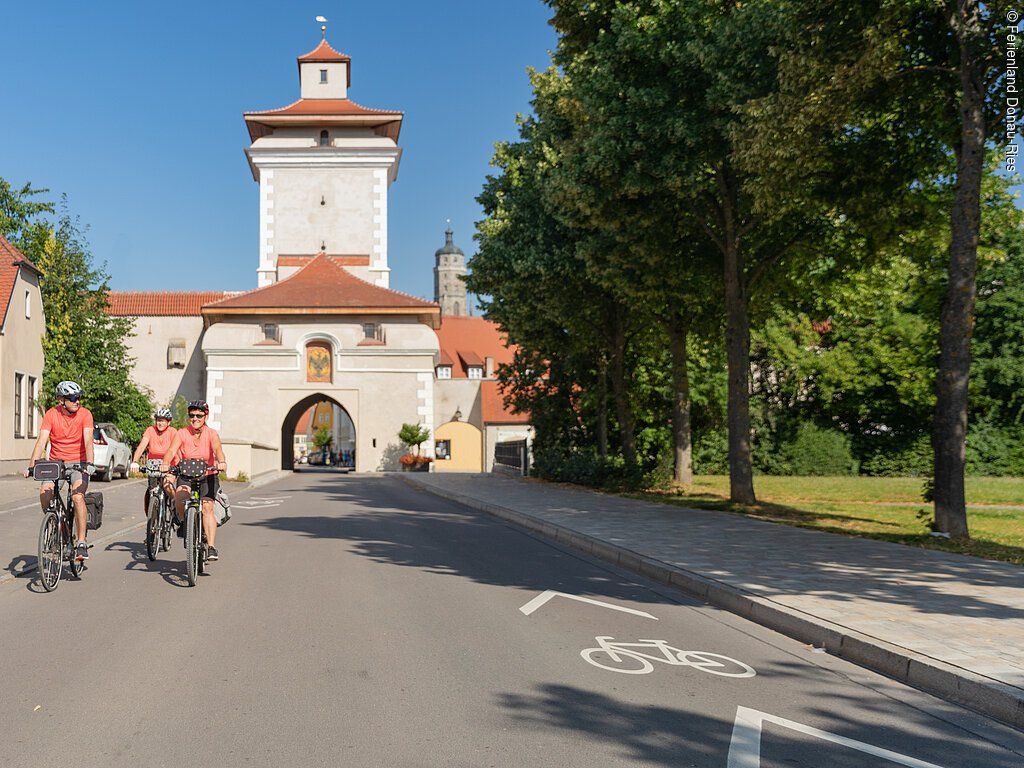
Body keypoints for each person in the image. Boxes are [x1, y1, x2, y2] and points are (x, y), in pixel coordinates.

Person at [25, 381, 95, 561]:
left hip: (79, 463)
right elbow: (41, 441)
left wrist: (90, 463)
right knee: (45, 494)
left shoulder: (85, 414)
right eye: (73, 398)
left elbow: (88, 440)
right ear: (61, 400)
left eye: (78, 397)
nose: (77, 401)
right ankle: (56, 523)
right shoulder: (51, 414)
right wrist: (32, 466)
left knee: (77, 496)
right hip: (56, 463)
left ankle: (81, 542)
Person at [160, 400, 227, 561]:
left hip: (207, 476)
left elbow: (218, 449)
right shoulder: (182, 433)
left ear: (206, 416)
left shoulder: (211, 434)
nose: (195, 418)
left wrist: (221, 462)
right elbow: (171, 450)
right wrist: (165, 463)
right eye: (192, 415)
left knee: (207, 507)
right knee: (179, 498)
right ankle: (185, 523)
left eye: (199, 415)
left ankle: (211, 547)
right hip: (186, 475)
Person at [131, 407, 177, 515]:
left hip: (169, 465)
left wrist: (176, 465)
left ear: (168, 422)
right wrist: (135, 461)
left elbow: (176, 450)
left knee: (167, 485)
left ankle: (176, 505)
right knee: (151, 491)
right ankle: (151, 518)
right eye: (158, 420)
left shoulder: (173, 432)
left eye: (162, 420)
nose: (159, 423)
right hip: (153, 465)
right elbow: (142, 446)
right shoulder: (150, 430)